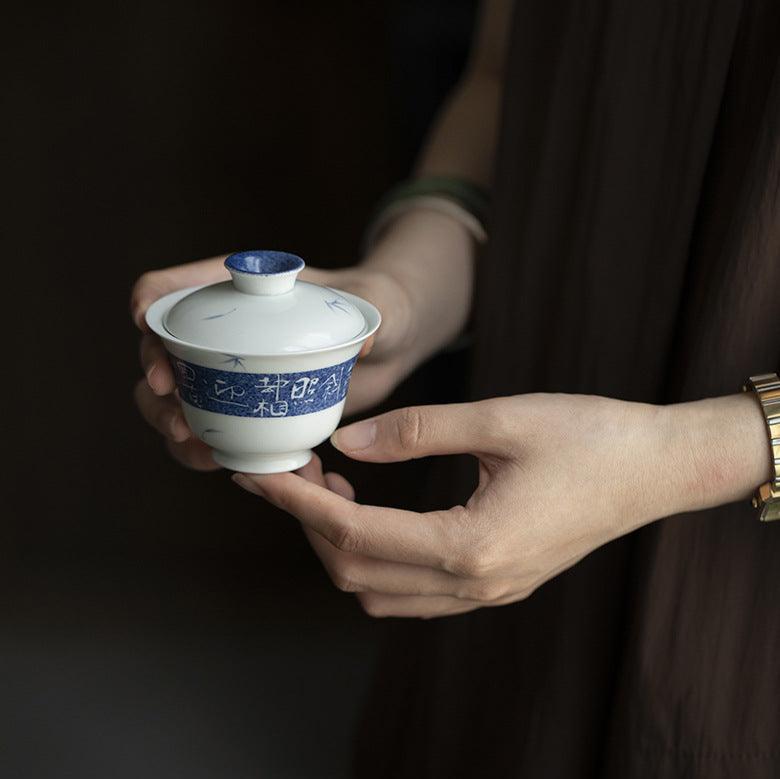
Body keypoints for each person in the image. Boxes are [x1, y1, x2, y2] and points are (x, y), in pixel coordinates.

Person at [131, 1, 780, 776]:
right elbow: (504, 79)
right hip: (507, 488)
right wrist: (400, 295)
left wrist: (690, 453)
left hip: (743, 611)